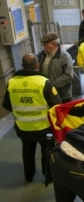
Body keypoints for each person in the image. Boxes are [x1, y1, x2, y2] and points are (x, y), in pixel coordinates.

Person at [2, 53, 62, 183]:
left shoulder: (11, 82)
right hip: (43, 128)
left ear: (22, 65)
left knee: (27, 152)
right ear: (37, 65)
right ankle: (47, 176)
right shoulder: (43, 82)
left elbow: (6, 104)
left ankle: (28, 176)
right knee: (47, 152)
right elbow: (57, 105)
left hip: (23, 127)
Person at [37, 32, 74, 103]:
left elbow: (68, 75)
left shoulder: (65, 57)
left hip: (62, 94)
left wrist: (51, 85)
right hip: (47, 93)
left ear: (53, 44)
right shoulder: (41, 55)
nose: (43, 46)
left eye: (45, 44)